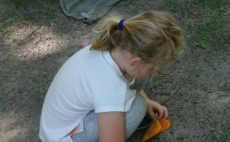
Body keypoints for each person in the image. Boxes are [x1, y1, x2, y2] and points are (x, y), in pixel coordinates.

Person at [39, 10, 182, 142]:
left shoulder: (112, 48)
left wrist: (147, 100)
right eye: (153, 66)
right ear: (135, 61)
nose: (155, 70)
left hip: (55, 129)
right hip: (64, 138)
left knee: (139, 89)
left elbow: (123, 82)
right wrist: (142, 103)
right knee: (137, 107)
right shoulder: (111, 87)